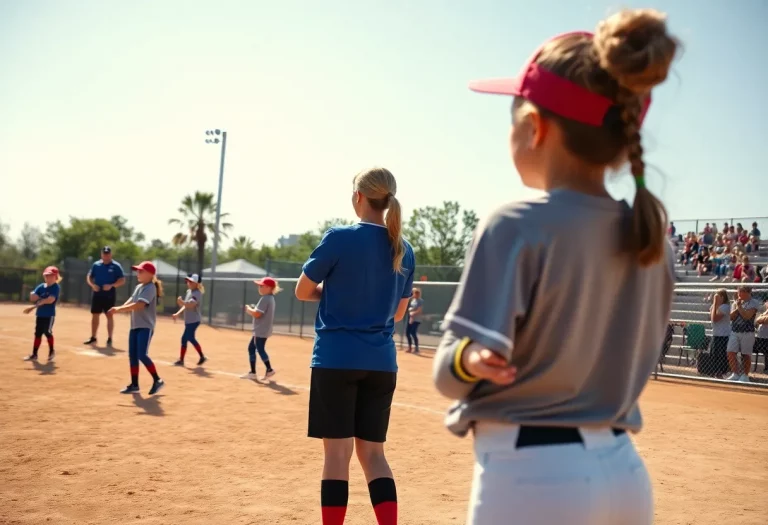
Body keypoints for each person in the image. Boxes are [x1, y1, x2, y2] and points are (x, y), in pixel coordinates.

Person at [432, 9, 678, 525]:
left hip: (532, 479)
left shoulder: (515, 224)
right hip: (625, 478)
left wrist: (465, 361)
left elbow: (448, 377)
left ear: (535, 128)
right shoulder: (651, 235)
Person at [295, 167, 415, 525]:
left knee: (337, 455)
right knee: (374, 455)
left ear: (359, 197)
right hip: (381, 362)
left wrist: (333, 293)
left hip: (336, 359)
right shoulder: (403, 248)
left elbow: (303, 291)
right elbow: (397, 314)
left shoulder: (340, 238)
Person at [109, 261, 165, 395]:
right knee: (132, 355)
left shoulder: (151, 287)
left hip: (145, 326)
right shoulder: (139, 286)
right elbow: (132, 299)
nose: (138, 273)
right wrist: (119, 308)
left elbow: (139, 304)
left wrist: (120, 309)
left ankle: (158, 380)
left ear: (151, 274)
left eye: (141, 271)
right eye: (137, 271)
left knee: (141, 354)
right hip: (135, 325)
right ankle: (134, 385)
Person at [84, 246, 125, 347]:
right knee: (95, 314)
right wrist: (93, 285)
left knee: (109, 315)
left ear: (111, 254)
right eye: (104, 253)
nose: (106, 255)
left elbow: (122, 280)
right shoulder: (96, 265)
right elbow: (89, 276)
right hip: (97, 293)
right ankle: (93, 337)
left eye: (108, 253)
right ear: (101, 254)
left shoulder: (116, 266)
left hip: (109, 294)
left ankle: (110, 338)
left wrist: (111, 286)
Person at [242, 277, 280, 381]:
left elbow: (257, 314)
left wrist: (248, 309)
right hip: (263, 329)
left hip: (260, 329)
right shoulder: (270, 298)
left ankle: (269, 369)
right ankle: (253, 372)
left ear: (268, 287)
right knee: (252, 348)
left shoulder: (265, 298)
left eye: (261, 286)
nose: (259, 287)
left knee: (259, 349)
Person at [22, 266, 62, 362]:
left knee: (47, 332)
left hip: (49, 315)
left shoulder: (55, 287)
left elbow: (50, 300)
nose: (48, 277)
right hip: (40, 314)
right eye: (46, 275)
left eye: (51, 276)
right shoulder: (41, 286)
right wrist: (35, 296)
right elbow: (33, 297)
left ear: (55, 277)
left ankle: (52, 351)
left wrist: (39, 301)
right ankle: (34, 354)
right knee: (38, 333)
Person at [726, 285, 760, 382]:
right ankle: (735, 373)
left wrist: (739, 307)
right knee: (730, 352)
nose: (738, 294)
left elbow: (747, 316)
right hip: (735, 331)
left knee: (746, 355)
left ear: (747, 292)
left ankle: (745, 375)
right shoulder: (736, 302)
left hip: (747, 332)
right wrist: (737, 307)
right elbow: (731, 317)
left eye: (740, 292)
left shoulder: (754, 303)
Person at [172, 274, 207, 367]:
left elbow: (191, 304)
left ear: (196, 283)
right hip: (189, 320)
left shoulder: (197, 293)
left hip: (194, 320)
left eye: (191, 281)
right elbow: (186, 305)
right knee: (189, 338)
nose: (189, 283)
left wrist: (182, 302)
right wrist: (178, 313)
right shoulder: (189, 291)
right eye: (188, 281)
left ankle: (181, 360)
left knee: (185, 338)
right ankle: (201, 357)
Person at [698, 289, 731, 378]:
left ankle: (723, 372)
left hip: (724, 335)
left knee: (721, 355)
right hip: (716, 334)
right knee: (713, 354)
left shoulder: (725, 307)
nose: (715, 298)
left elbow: (714, 318)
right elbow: (711, 316)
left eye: (718, 296)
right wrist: (714, 305)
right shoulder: (715, 306)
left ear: (723, 297)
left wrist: (715, 303)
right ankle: (715, 372)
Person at [405, 287, 424, 354]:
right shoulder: (412, 300)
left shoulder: (420, 300)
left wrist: (413, 313)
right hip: (410, 318)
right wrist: (410, 311)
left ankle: (416, 348)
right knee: (407, 333)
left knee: (413, 332)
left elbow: (419, 310)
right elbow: (409, 307)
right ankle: (409, 347)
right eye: (413, 293)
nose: (414, 294)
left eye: (415, 293)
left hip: (416, 319)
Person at [754, 301, 768, 373]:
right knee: (764, 352)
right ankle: (766, 368)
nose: (766, 303)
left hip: (766, 338)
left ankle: (766, 368)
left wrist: (763, 317)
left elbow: (765, 320)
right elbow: (758, 320)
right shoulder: (765, 312)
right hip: (761, 338)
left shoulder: (764, 313)